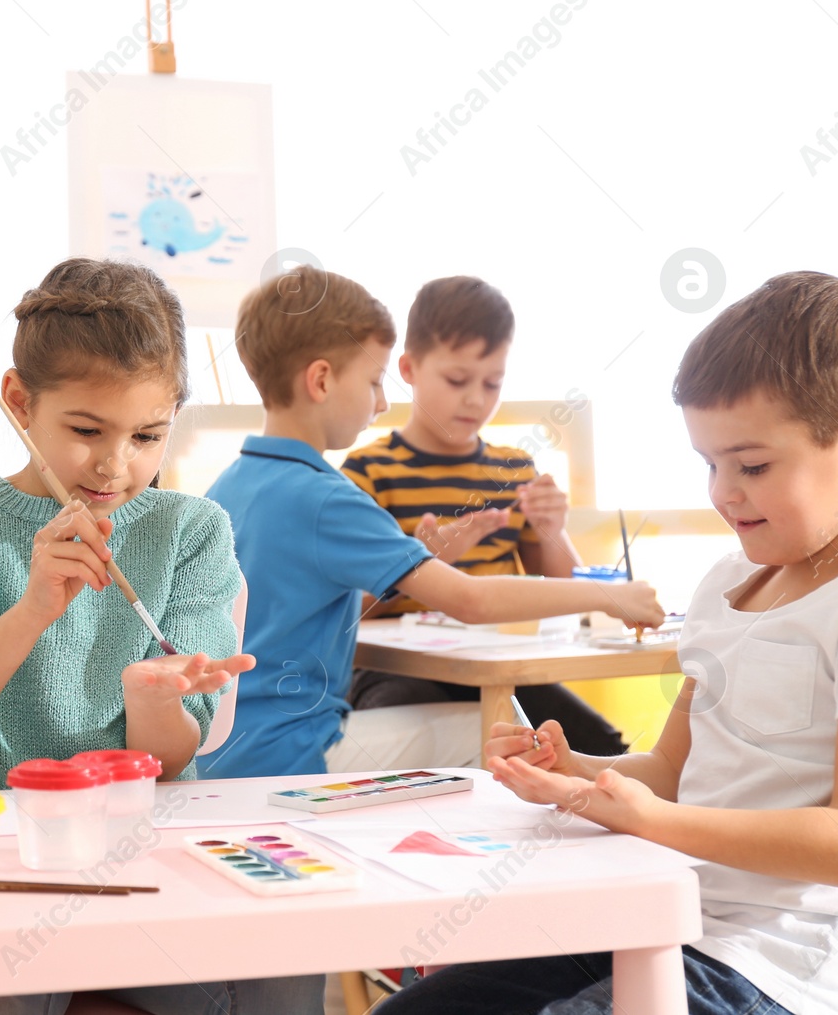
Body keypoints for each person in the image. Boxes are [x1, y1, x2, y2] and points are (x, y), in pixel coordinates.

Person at [382, 271, 838, 1015]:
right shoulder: (727, 582)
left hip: (773, 968)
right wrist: (578, 771)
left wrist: (644, 817)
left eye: (751, 465)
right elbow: (671, 770)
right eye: (710, 464)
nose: (723, 491)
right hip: (663, 910)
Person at [0, 257, 325, 1014]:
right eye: (87, 430)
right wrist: (30, 612)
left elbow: (176, 751)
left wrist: (153, 699)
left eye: (149, 434)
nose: (117, 466)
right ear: (19, 402)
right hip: (0, 868)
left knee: (286, 955)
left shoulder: (191, 530)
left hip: (146, 865)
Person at [201, 266, 661, 779]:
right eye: (374, 381)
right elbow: (472, 600)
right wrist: (612, 594)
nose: (381, 402)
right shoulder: (329, 496)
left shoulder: (228, 485)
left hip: (216, 748)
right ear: (322, 379)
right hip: (289, 752)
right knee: (504, 734)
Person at [342, 275, 627, 756]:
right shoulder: (369, 472)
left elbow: (562, 596)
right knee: (420, 745)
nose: (476, 399)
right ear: (408, 368)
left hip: (500, 666)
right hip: (398, 670)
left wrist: (553, 532)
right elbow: (348, 605)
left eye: (492, 383)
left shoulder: (513, 469)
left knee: (601, 749)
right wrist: (423, 560)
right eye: (457, 381)